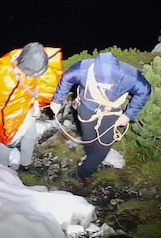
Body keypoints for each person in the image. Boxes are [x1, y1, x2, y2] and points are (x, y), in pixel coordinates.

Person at [49, 51, 151, 186]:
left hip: (111, 111)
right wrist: (57, 100)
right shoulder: (82, 69)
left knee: (105, 143)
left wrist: (128, 115)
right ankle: (92, 158)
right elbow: (67, 78)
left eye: (111, 85)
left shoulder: (130, 76)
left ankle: (85, 171)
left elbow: (145, 90)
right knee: (89, 138)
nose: (107, 87)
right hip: (86, 107)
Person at [0, 42, 63, 171]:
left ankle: (25, 165)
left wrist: (36, 103)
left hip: (26, 106)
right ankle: (2, 171)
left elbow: (35, 86)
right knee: (7, 142)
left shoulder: (33, 59)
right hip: (9, 115)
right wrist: (8, 133)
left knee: (30, 136)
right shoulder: (5, 80)